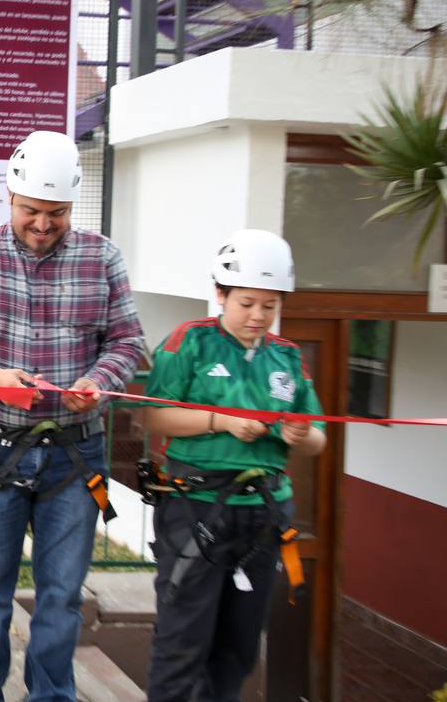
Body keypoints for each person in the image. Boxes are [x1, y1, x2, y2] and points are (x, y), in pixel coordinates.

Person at [0, 130, 146, 702]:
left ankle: (52, 696)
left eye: (56, 213)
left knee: (61, 594)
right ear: (9, 195)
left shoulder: (102, 258)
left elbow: (128, 343)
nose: (42, 224)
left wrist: (97, 384)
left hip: (73, 456)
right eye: (31, 210)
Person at [141, 229, 326, 702]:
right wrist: (220, 421)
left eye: (269, 304)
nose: (258, 316)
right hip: (197, 510)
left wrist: (301, 434)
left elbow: (318, 440)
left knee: (241, 645)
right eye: (247, 303)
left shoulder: (286, 357)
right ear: (220, 294)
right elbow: (153, 415)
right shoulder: (189, 342)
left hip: (264, 514)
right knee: (183, 639)